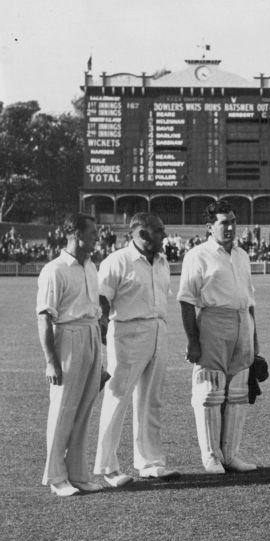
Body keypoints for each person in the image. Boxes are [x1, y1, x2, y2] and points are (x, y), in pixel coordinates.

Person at [94, 212, 179, 486]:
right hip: (127, 332)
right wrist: (103, 333)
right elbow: (101, 300)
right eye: (159, 231)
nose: (164, 235)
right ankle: (107, 467)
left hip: (158, 330)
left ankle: (150, 462)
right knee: (118, 397)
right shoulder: (117, 261)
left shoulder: (162, 261)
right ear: (142, 234)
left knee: (151, 399)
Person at [178, 200, 260, 474]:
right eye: (224, 222)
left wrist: (254, 338)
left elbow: (249, 301)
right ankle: (211, 456)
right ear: (209, 227)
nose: (230, 227)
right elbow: (187, 300)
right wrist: (193, 340)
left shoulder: (242, 255)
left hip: (241, 323)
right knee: (210, 392)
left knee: (238, 392)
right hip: (213, 321)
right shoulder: (197, 255)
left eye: (233, 221)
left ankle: (231, 455)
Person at [36, 213, 105, 496]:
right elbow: (44, 318)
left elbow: (96, 314)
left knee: (84, 410)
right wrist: (51, 362)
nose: (97, 238)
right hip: (68, 338)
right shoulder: (54, 270)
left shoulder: (91, 266)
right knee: (63, 409)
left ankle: (77, 474)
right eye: (92, 233)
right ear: (76, 233)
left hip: (91, 336)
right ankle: (56, 478)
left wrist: (102, 355)